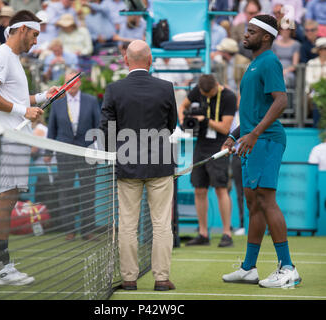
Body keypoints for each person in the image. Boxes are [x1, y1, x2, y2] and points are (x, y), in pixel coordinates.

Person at [0, 9, 60, 286]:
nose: (36, 41)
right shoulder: (2, 55)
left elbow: (11, 97)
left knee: (8, 199)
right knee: (4, 200)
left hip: (15, 138)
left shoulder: (11, 58)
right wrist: (23, 110)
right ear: (23, 29)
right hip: (7, 138)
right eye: (35, 35)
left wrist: (41, 97)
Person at [221, 14, 302, 288]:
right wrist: (235, 135)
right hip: (252, 140)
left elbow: (281, 101)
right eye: (246, 30)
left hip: (266, 141)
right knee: (253, 203)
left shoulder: (269, 62)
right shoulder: (255, 64)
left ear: (266, 37)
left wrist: (254, 134)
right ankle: (248, 268)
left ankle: (288, 268)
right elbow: (253, 112)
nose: (245, 35)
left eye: (251, 31)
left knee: (266, 201)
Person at [99, 40, 177, 291]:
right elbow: (172, 125)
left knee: (128, 224)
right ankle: (161, 279)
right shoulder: (166, 88)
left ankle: (129, 279)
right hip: (160, 165)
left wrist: (119, 152)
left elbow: (107, 130)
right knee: (162, 224)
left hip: (128, 165)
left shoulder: (114, 89)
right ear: (150, 60)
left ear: (126, 60)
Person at [178, 74, 236, 247]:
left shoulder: (229, 97)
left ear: (216, 85)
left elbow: (225, 127)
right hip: (201, 143)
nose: (206, 97)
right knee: (199, 189)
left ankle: (227, 233)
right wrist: (184, 121)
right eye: (204, 94)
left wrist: (205, 120)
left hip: (220, 144)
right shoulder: (199, 90)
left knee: (220, 188)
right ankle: (203, 233)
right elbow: (183, 105)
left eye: (209, 94)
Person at [45, 69, 101, 241]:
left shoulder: (91, 101)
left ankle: (87, 231)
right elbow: (52, 128)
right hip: (64, 153)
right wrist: (47, 152)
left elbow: (98, 127)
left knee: (88, 192)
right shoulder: (57, 103)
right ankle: (69, 230)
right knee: (66, 191)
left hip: (87, 152)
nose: (72, 85)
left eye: (74, 81)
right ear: (65, 84)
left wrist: (99, 149)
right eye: (68, 82)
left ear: (79, 83)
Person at [305, 37, 326, 128]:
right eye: (322, 49)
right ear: (318, 50)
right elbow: (309, 80)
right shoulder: (311, 63)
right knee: (317, 98)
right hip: (314, 91)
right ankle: (317, 128)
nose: (324, 51)